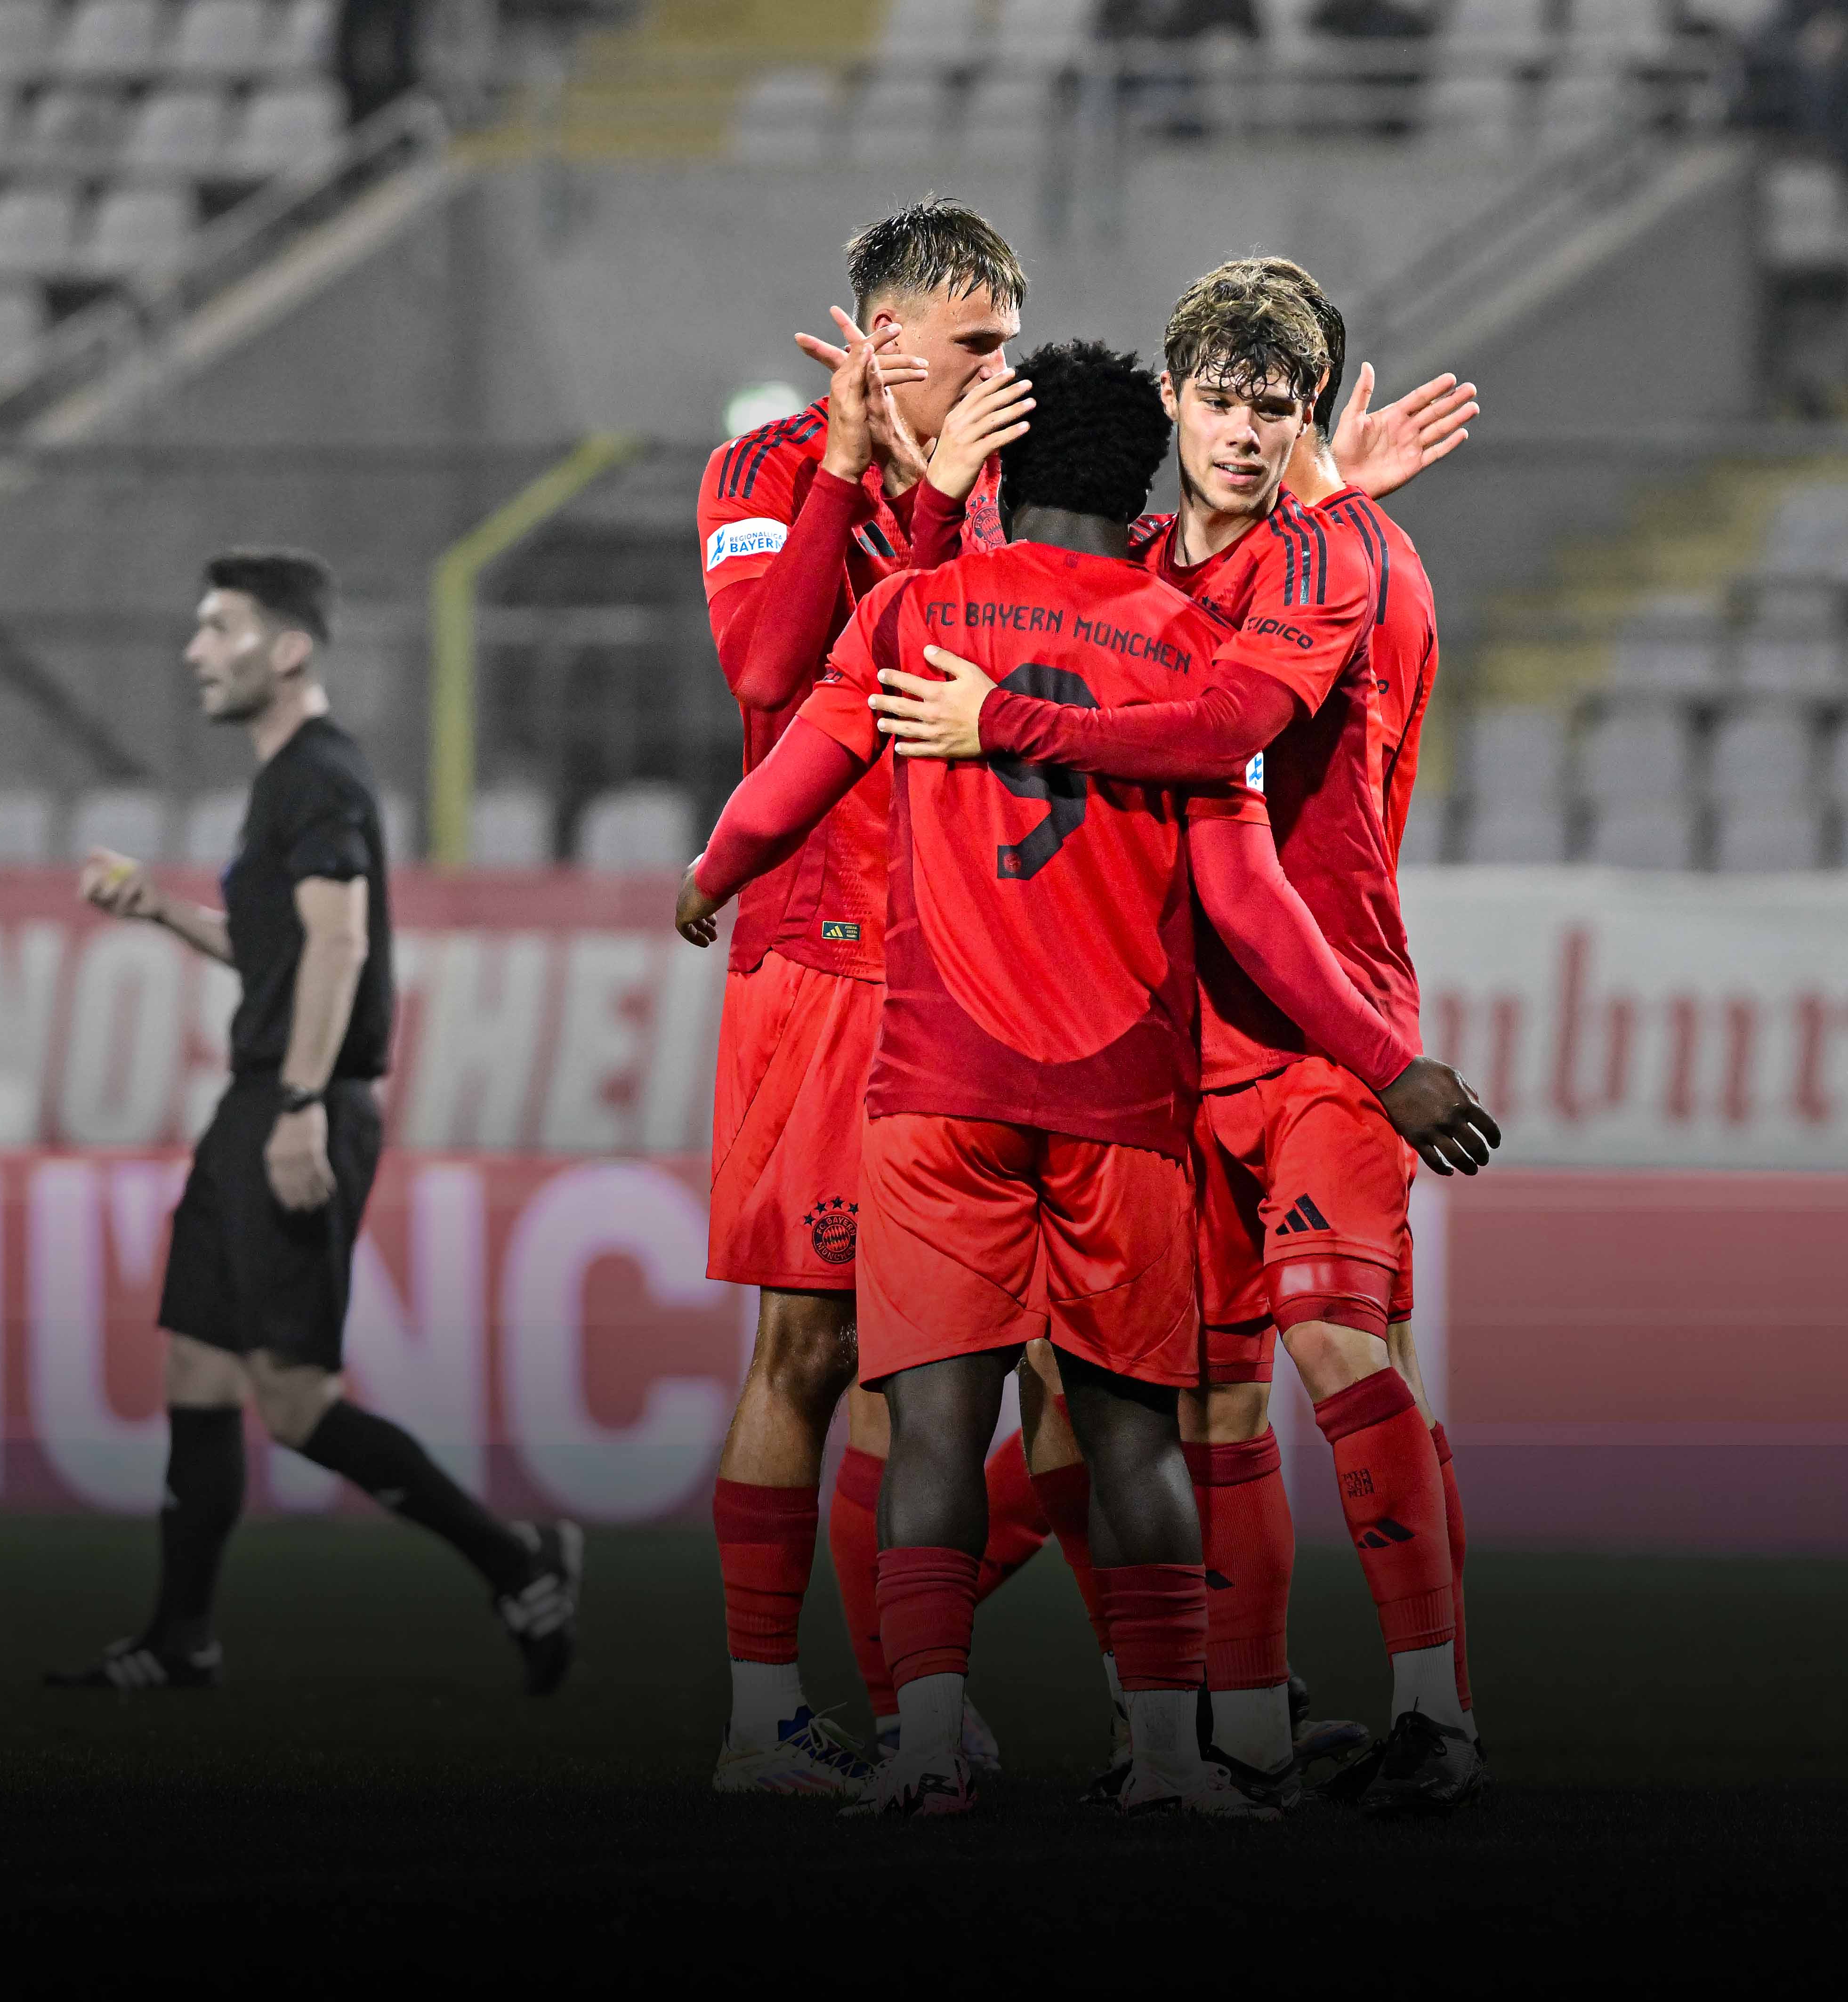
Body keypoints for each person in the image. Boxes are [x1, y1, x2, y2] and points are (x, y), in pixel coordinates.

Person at [675, 336, 1497, 1819]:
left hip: (935, 1082)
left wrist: (712, 869)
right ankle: (1178, 1755)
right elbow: (1249, 902)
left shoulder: (917, 609)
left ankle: (923, 1742)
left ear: (1004, 473)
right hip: (1124, 1090)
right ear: (1149, 463)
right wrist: (1392, 1063)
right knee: (1138, 1426)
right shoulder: (1188, 644)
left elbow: (799, 763)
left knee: (933, 1420)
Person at [50, 551, 581, 1696]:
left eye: (218, 627)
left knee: (292, 1402)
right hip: (257, 1100)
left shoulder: (318, 778)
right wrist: (154, 908)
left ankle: (517, 1559)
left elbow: (340, 948)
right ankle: (180, 1637)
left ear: (286, 649)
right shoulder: (282, 781)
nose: (195, 649)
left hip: (297, 1103)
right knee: (196, 1360)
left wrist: (298, 1103)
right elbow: (281, 948)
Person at [691, 197, 1038, 1794]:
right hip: (821, 957)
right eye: (975, 345)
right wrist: (863, 475)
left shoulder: (1007, 503)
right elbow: (770, 674)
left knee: (938, 1368)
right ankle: (763, 1716)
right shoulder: (760, 477)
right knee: (808, 1350)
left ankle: (913, 1703)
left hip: (964, 965)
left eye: (1008, 344)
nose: (999, 372)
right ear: (886, 343)